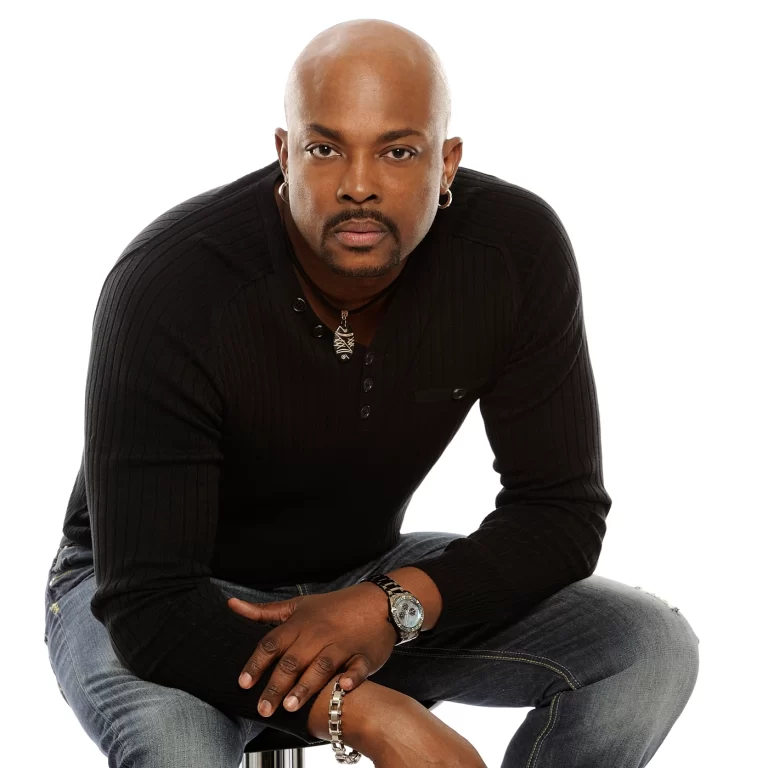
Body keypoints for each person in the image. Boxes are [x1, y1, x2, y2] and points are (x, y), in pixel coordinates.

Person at [43, 17, 699, 768]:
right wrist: (368, 715)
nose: (359, 184)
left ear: (446, 163)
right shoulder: (174, 284)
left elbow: (561, 514)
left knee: (646, 649)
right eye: (325, 148)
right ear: (284, 155)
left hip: (357, 576)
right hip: (149, 591)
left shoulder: (511, 254)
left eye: (398, 150)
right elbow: (149, 605)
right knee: (180, 749)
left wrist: (388, 604)